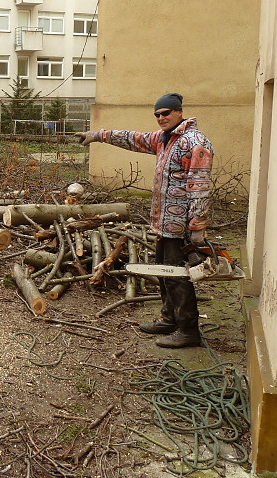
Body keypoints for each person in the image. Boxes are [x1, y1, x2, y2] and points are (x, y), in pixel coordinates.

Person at [75, 93, 214, 348]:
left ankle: (188, 329)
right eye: (157, 114)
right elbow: (133, 139)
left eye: (166, 113)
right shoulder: (164, 140)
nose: (161, 118)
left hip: (181, 225)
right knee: (164, 271)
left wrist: (197, 228)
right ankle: (169, 318)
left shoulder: (195, 142)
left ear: (179, 112)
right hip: (163, 222)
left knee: (176, 275)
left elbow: (200, 188)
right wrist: (97, 135)